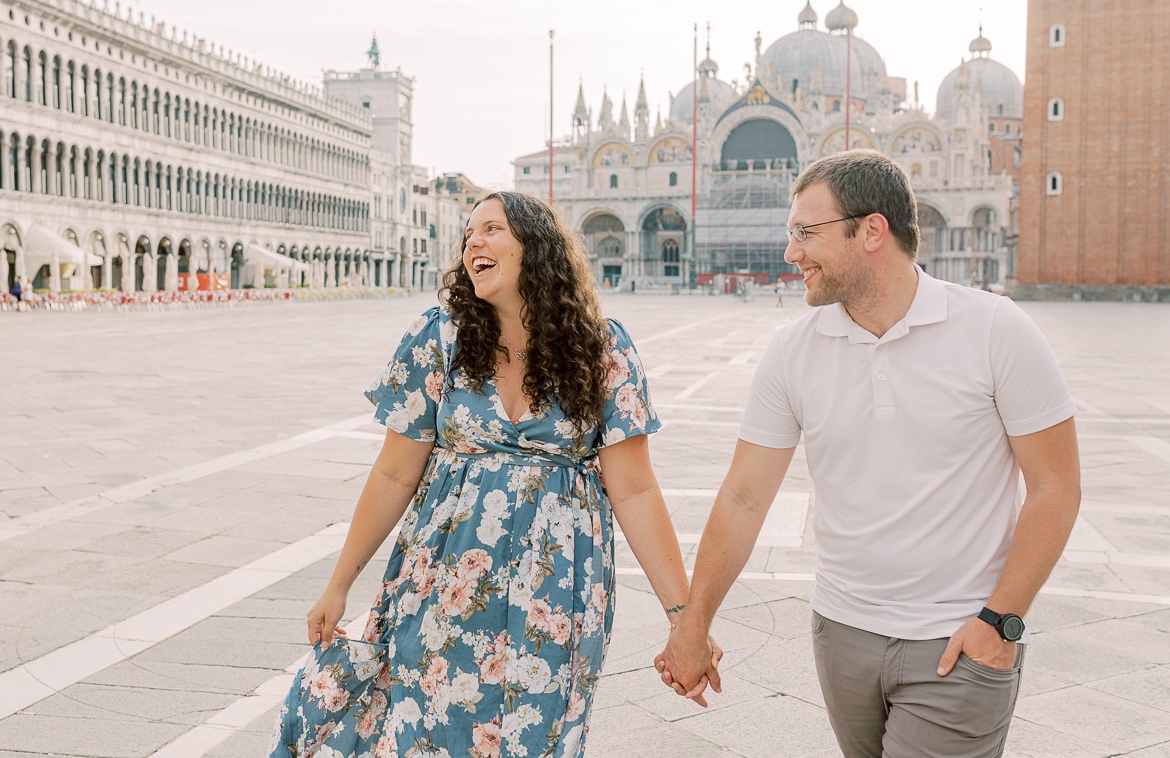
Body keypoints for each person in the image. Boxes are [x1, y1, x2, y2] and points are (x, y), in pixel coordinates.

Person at [656, 150, 1081, 756]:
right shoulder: (791, 350)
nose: (790, 252)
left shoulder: (996, 329)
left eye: (806, 232)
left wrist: (1000, 622)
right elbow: (746, 498)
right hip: (840, 633)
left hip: (959, 639)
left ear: (872, 230)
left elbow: (1055, 487)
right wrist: (694, 623)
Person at [270, 191, 706, 758]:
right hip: (441, 582)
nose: (473, 241)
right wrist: (339, 583)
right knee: (422, 728)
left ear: (538, 248)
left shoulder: (603, 350)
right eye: (468, 233)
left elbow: (637, 490)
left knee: (534, 736)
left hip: (558, 596)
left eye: (492, 229)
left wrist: (684, 618)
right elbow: (393, 474)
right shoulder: (440, 339)